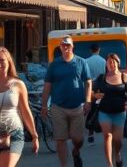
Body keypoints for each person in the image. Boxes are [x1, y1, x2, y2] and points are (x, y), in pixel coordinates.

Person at [42, 36, 93, 167]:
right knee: (60, 138)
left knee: (78, 139)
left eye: (68, 45)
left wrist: (88, 101)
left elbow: (88, 82)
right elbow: (47, 85)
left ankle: (76, 151)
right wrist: (44, 105)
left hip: (77, 106)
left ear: (72, 47)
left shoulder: (81, 62)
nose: (66, 47)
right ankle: (64, 165)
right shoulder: (54, 64)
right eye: (63, 45)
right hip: (58, 106)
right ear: (60, 47)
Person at [92, 54, 127, 167]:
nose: (111, 64)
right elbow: (92, 91)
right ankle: (109, 164)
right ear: (106, 64)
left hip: (120, 112)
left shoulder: (124, 76)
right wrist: (95, 95)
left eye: (113, 62)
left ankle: (118, 155)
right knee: (107, 136)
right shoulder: (101, 77)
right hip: (104, 111)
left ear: (118, 63)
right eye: (109, 62)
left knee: (118, 140)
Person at [84, 45, 106, 144]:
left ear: (90, 50)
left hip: (91, 87)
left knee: (92, 109)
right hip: (101, 86)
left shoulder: (86, 61)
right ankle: (105, 131)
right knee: (103, 108)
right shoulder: (103, 61)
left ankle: (90, 133)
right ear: (99, 49)